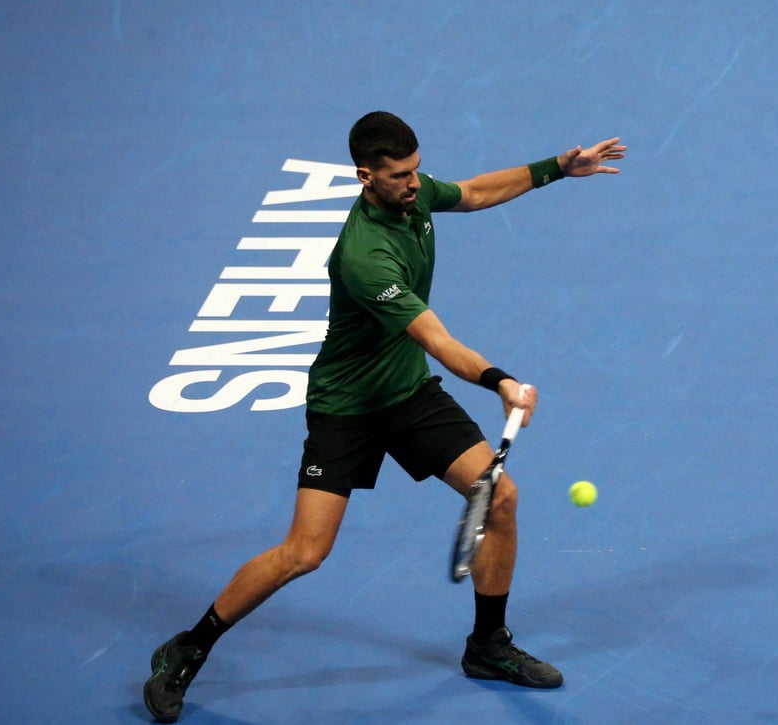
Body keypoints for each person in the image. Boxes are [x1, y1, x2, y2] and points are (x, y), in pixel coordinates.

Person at [144, 110, 625, 723]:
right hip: (346, 408)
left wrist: (558, 167)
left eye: (418, 170)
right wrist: (500, 380)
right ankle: (189, 647)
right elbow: (439, 340)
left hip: (405, 393)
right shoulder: (364, 255)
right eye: (400, 176)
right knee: (305, 552)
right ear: (364, 176)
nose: (415, 184)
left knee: (498, 499)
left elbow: (475, 192)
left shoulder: (414, 198)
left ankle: (487, 645)